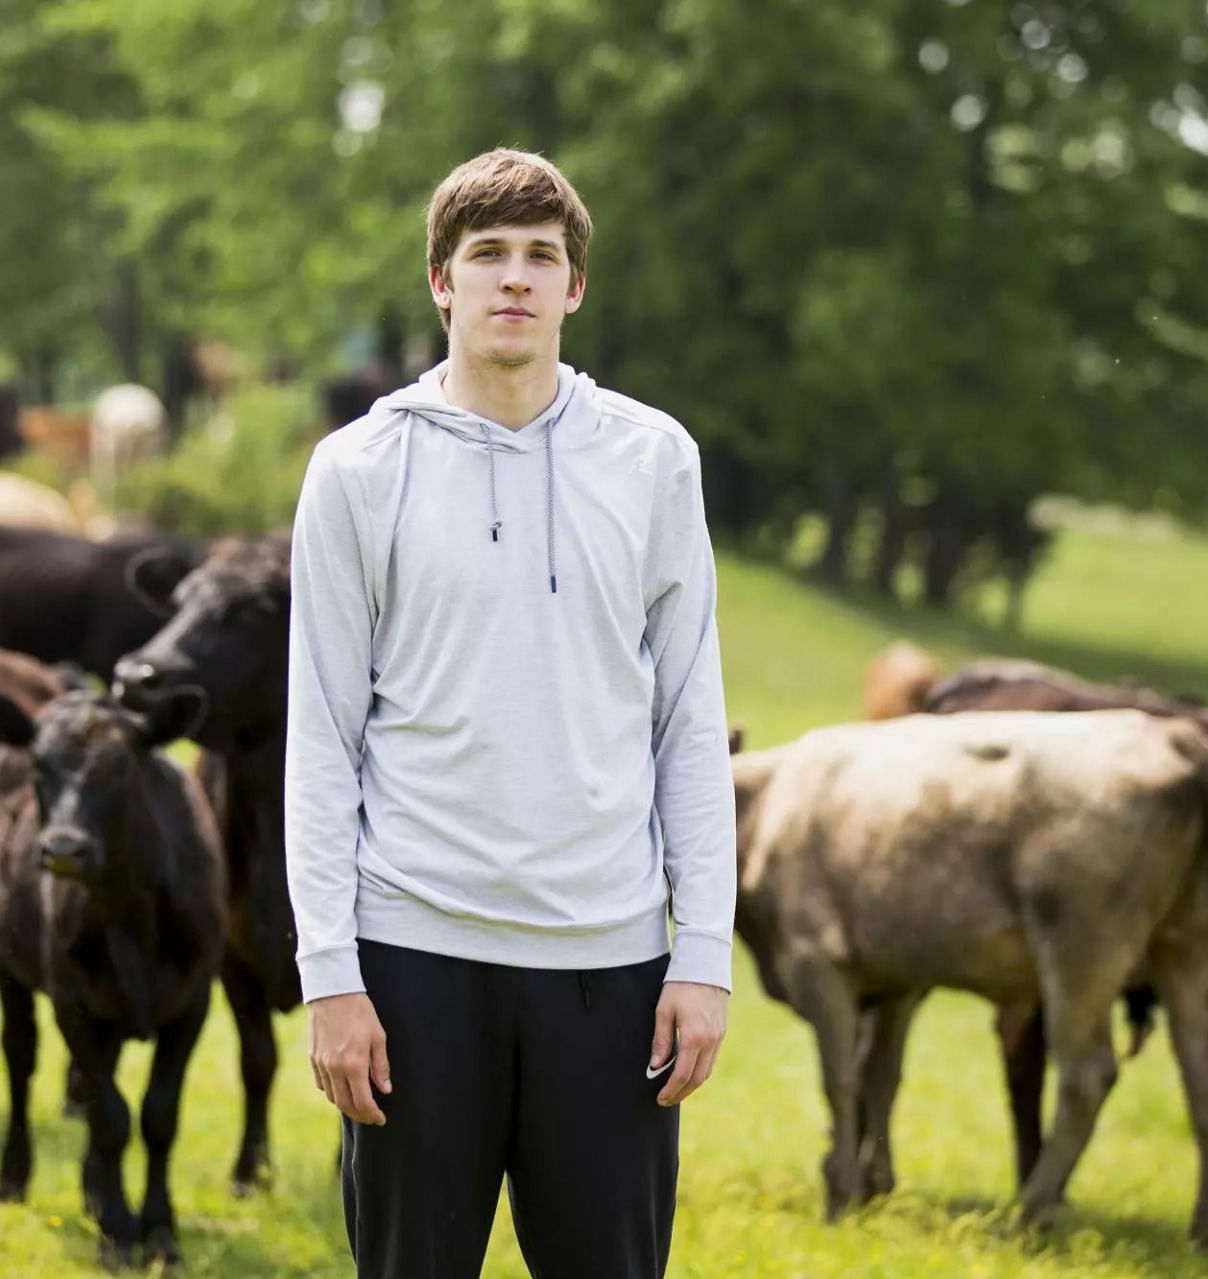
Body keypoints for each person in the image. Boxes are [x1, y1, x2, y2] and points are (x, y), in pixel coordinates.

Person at [285, 147, 737, 1279]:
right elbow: (323, 738)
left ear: (576, 287)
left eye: (543, 256)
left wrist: (706, 955)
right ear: (442, 280)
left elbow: (689, 718)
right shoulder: (356, 470)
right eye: (488, 255)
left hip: (611, 964)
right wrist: (330, 973)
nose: (516, 279)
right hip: (412, 956)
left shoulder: (652, 460)